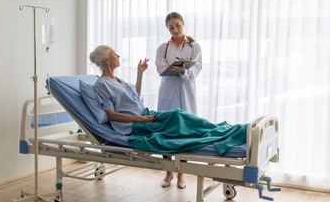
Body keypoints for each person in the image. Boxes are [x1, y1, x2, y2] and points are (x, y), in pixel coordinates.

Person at [89, 45, 247, 187]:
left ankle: (226, 130)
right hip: (135, 126)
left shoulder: (117, 80)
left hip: (146, 116)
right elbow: (111, 115)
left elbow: (135, 97)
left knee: (180, 116)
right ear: (106, 60)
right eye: (115, 54)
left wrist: (140, 73)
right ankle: (232, 132)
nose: (118, 56)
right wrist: (141, 119)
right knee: (179, 118)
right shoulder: (102, 85)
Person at [155, 12, 203, 189]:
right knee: (167, 132)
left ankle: (182, 176)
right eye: (171, 27)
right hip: (167, 92)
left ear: (183, 25)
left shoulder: (194, 46)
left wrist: (183, 71)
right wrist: (169, 68)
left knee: (184, 132)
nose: (175, 30)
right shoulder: (163, 48)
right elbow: (159, 68)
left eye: (178, 26)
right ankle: (168, 174)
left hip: (186, 92)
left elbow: (196, 68)